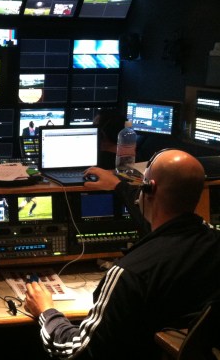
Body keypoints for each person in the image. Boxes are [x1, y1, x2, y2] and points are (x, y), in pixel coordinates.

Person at [25, 149, 220, 359]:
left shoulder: (129, 273)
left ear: (149, 188)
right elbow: (165, 230)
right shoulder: (212, 242)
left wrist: (46, 311)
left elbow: (76, 352)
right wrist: (119, 186)